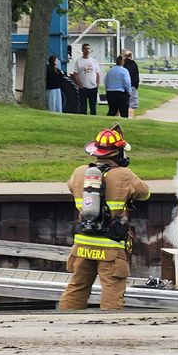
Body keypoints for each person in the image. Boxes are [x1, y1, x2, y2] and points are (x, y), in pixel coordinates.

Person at [58, 125, 151, 311]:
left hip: (83, 245)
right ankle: (110, 331)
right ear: (118, 153)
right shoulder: (124, 175)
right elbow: (145, 193)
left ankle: (65, 324)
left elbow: (70, 187)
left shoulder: (79, 173)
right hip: (110, 247)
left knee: (76, 287)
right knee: (112, 290)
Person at [70, 43, 101, 115]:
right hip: (83, 87)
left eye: (88, 48)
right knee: (83, 106)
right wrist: (79, 84)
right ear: (82, 50)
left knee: (93, 106)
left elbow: (98, 73)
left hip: (93, 86)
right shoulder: (79, 61)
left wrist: (97, 84)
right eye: (85, 48)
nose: (87, 50)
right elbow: (76, 74)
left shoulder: (94, 61)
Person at [123, 50, 140, 118]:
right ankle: (130, 118)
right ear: (131, 56)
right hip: (132, 86)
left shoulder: (122, 64)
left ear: (125, 56)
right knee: (132, 105)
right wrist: (136, 86)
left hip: (122, 87)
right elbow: (136, 77)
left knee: (122, 104)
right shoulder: (134, 64)